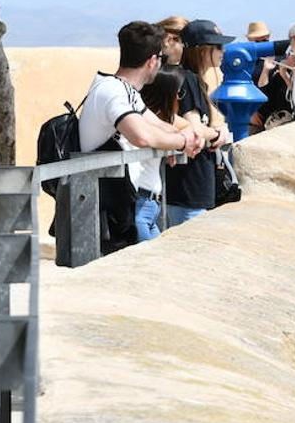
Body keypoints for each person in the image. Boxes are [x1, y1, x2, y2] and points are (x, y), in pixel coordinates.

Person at [78, 21, 202, 252]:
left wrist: (181, 137)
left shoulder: (127, 92)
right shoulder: (112, 92)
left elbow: (161, 127)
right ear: (152, 61)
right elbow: (142, 136)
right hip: (117, 212)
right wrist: (183, 143)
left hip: (134, 206)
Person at [164, 19, 233, 222]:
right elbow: (194, 128)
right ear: (203, 50)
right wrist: (219, 134)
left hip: (193, 189)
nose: (223, 52)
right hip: (188, 189)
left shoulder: (191, 79)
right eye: (218, 46)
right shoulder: (188, 79)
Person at [136, 66, 189, 241]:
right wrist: (171, 142)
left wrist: (169, 144)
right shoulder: (144, 121)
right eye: (178, 93)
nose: (179, 99)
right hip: (141, 207)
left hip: (150, 207)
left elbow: (192, 130)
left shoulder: (159, 122)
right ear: (167, 95)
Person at [245, 20, 292, 132]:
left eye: (265, 41)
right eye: (258, 42)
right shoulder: (245, 61)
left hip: (280, 118)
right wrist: (249, 112)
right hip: (257, 118)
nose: (262, 45)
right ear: (249, 40)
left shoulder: (280, 57)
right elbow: (242, 90)